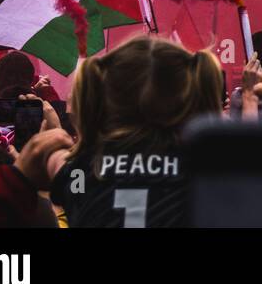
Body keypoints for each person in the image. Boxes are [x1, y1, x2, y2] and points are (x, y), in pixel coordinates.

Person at [47, 35, 225, 227]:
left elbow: (62, 172)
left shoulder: (80, 171)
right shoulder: (208, 174)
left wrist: (55, 136)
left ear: (103, 98)